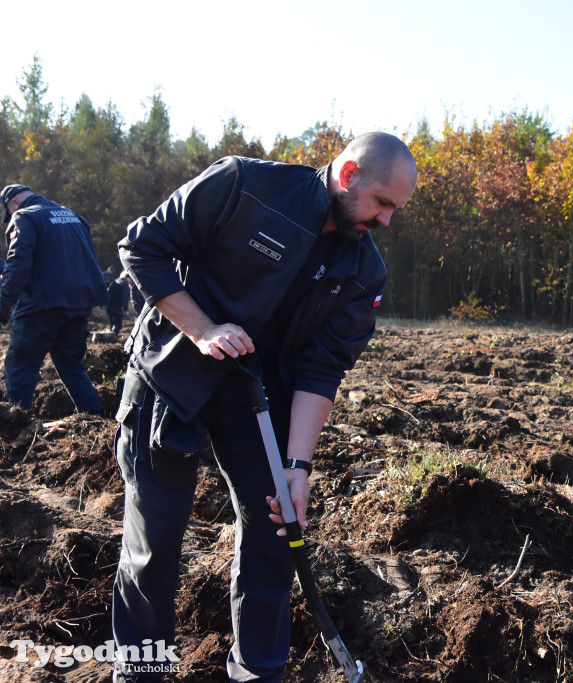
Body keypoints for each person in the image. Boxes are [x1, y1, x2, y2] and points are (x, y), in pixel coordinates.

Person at [110, 132, 417, 682]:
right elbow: (142, 247)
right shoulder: (245, 186)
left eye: (396, 209)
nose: (388, 222)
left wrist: (297, 468)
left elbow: (322, 369)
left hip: (256, 400)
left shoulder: (363, 271)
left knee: (278, 533)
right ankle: (139, 673)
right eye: (383, 204)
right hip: (172, 376)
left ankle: (258, 673)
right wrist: (203, 329)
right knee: (155, 545)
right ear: (347, 176)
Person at [0, 184, 107, 414]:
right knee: (71, 366)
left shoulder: (23, 217)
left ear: (14, 204)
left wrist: (4, 304)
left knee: (18, 368)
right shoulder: (74, 217)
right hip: (79, 306)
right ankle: (95, 421)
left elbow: (18, 265)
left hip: (41, 308)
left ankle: (17, 430)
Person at [106, 270, 131, 335]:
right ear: (127, 278)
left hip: (109, 306)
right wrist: (126, 309)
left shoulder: (116, 281)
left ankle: (109, 335)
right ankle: (113, 336)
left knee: (112, 322)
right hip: (117, 307)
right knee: (118, 323)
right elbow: (124, 298)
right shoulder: (125, 284)